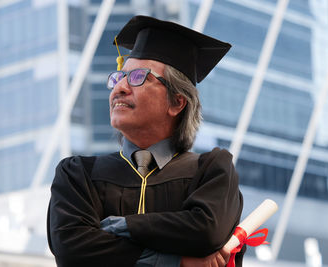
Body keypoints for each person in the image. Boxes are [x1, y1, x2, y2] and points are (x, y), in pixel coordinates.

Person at [47, 15, 245, 267]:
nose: (119, 88)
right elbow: (72, 248)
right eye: (119, 77)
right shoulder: (79, 175)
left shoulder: (211, 171)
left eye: (138, 77)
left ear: (176, 102)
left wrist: (122, 226)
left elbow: (206, 231)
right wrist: (177, 261)